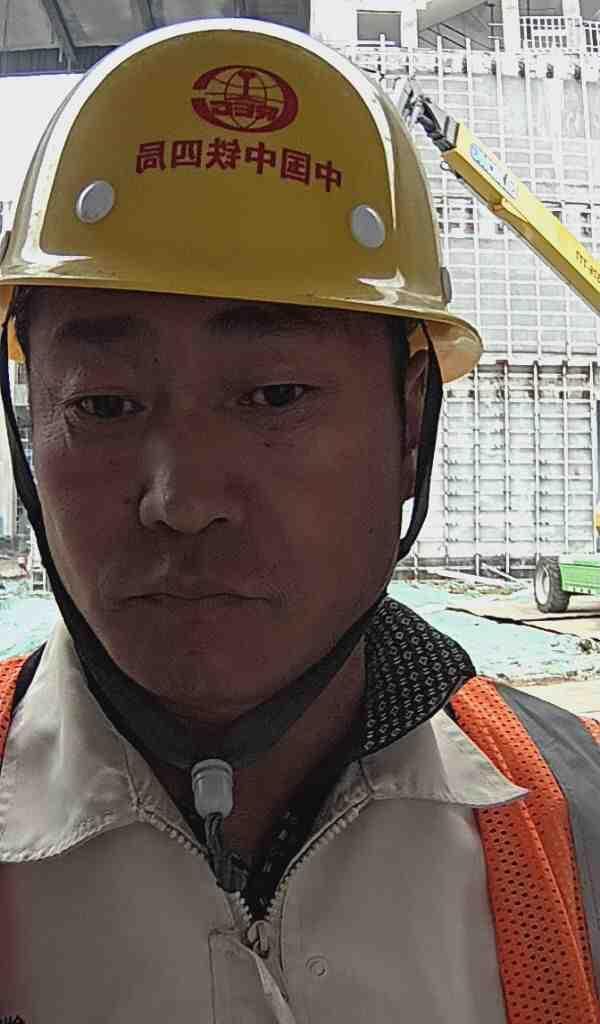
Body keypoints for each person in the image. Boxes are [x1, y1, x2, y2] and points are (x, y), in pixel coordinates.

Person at [0, 18, 598, 1024]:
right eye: (104, 404)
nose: (182, 500)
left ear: (409, 425)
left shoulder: (576, 819)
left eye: (274, 396)